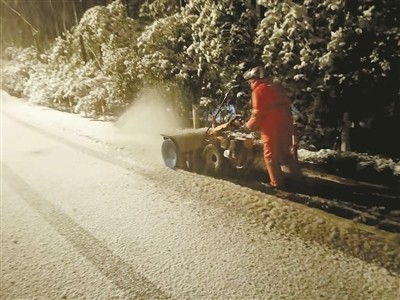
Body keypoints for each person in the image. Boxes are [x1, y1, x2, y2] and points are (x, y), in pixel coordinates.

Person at [242, 66, 301, 189]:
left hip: (271, 128)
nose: (250, 84)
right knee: (285, 154)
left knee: (270, 157)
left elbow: (257, 114)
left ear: (254, 80)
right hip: (286, 125)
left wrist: (247, 126)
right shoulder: (276, 87)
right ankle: (298, 179)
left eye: (250, 81)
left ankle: (276, 184)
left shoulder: (258, 91)